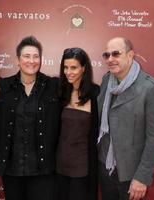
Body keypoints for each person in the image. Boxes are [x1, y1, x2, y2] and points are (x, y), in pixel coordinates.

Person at [97, 37, 154, 200]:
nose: (110, 59)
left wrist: (142, 177)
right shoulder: (107, 81)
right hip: (105, 168)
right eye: (106, 55)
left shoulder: (151, 89)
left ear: (130, 55)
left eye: (116, 54)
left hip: (131, 175)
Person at [0, 36, 61, 200]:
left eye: (35, 56)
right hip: (12, 170)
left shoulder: (54, 87)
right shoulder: (3, 87)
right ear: (17, 60)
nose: (31, 61)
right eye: (26, 56)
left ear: (41, 59)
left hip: (43, 170)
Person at [55, 47, 99, 200]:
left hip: (83, 169)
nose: (68, 72)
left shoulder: (96, 95)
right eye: (65, 67)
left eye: (73, 67)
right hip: (59, 167)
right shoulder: (59, 92)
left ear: (84, 68)